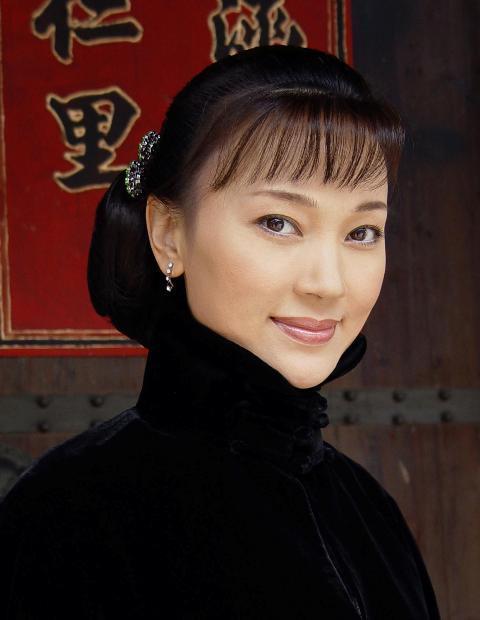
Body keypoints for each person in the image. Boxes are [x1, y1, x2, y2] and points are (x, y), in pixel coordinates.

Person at [0, 45, 441, 619]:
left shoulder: (368, 509)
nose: (328, 283)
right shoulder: (71, 513)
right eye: (278, 223)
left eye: (362, 232)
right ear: (168, 233)